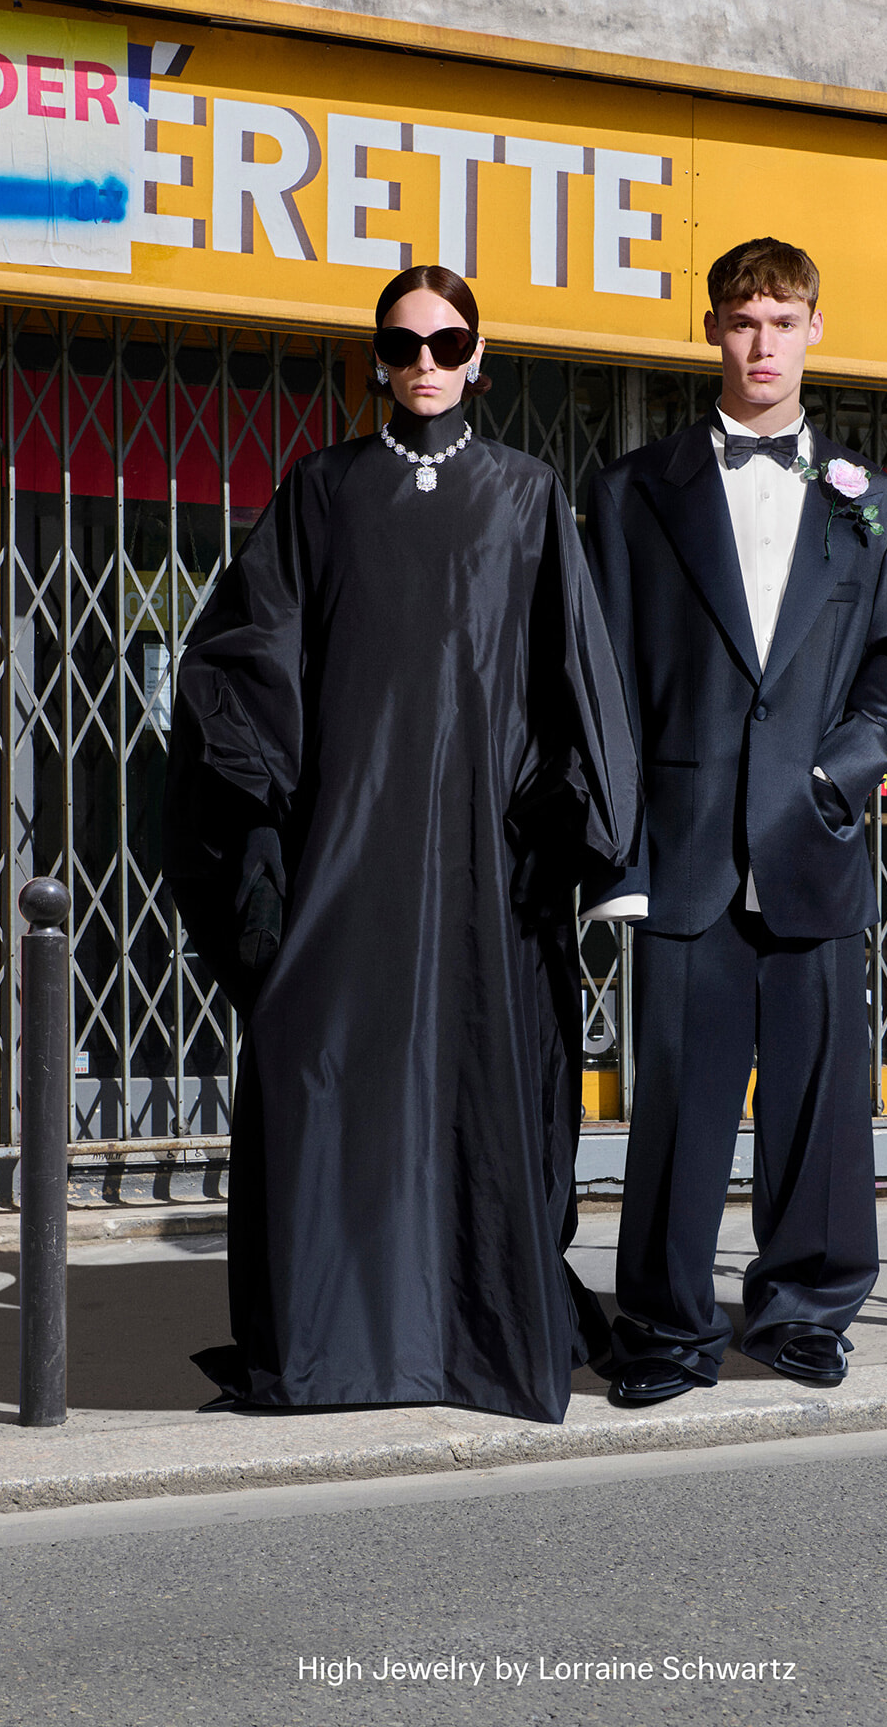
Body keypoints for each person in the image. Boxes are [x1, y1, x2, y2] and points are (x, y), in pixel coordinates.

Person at [162, 265, 639, 1425]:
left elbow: (577, 675)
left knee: (480, 1080)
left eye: (448, 340)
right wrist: (263, 829)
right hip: (350, 850)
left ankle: (472, 1336)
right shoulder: (323, 491)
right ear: (376, 357)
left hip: (484, 860)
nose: (426, 361)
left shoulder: (526, 496)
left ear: (482, 354)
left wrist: (578, 830)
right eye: (403, 342)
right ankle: (345, 1344)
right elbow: (247, 657)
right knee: (331, 1078)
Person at [581, 238, 887, 1403]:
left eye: (782, 320)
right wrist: (617, 844)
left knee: (822, 1110)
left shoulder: (878, 507)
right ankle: (671, 1332)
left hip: (815, 848)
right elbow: (606, 679)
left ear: (815, 329)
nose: (762, 342)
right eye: (742, 321)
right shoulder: (633, 493)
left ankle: (803, 1316)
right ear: (713, 332)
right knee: (678, 1105)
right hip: (684, 852)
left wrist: (838, 780)